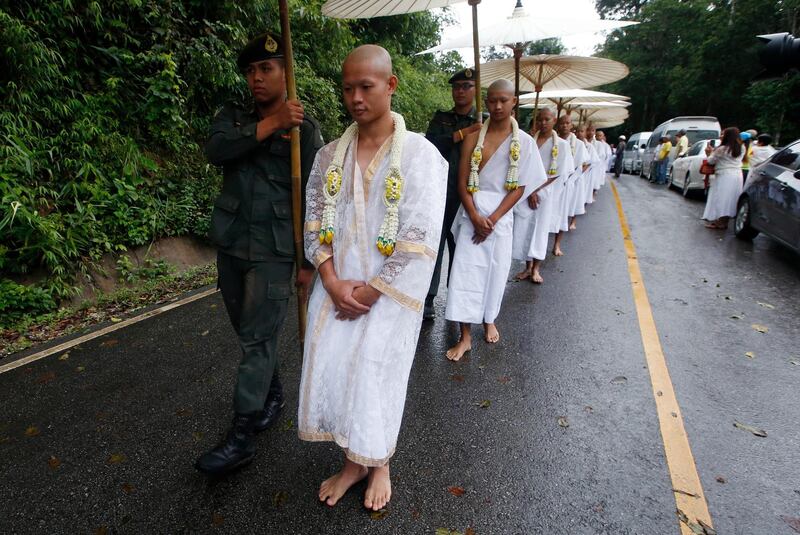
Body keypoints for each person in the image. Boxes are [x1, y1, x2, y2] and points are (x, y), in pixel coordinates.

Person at [299, 45, 447, 511]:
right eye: (348, 88)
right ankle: (353, 460)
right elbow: (314, 223)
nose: (356, 98)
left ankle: (379, 459)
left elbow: (420, 234)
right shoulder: (327, 156)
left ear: (391, 85)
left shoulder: (421, 155)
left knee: (377, 374)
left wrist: (372, 289)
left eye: (367, 86)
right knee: (343, 373)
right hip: (337, 286)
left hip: (389, 292)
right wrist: (332, 280)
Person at [195, 32, 324, 477]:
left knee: (257, 339)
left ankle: (241, 437)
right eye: (250, 71)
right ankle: (271, 394)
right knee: (245, 329)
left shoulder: (305, 131)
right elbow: (215, 150)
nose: (256, 78)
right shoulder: (233, 117)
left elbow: (315, 198)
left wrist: (308, 262)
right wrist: (269, 125)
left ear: (286, 72)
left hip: (273, 250)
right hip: (231, 242)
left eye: (266, 69)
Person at [444, 79, 545, 361]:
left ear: (514, 102)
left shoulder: (524, 142)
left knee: (495, 272)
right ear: (486, 102)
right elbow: (462, 183)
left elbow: (522, 186)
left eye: (503, 100)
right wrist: (475, 215)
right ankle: (465, 336)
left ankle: (489, 318)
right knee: (465, 273)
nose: (497, 106)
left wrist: (495, 217)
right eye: (492, 100)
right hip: (472, 214)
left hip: (501, 216)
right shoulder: (474, 138)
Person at [424, 68, 483, 320]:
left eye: (467, 86)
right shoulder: (441, 118)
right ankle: (428, 299)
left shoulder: (484, 121)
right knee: (433, 248)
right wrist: (461, 134)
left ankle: (456, 303)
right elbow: (429, 145)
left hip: (469, 195)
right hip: (440, 192)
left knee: (461, 251)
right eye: (457, 86)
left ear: (476, 90)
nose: (461, 91)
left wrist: (479, 131)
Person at [511, 107, 571, 283]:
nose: (543, 123)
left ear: (554, 121)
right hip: (526, 191)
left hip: (545, 193)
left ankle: (536, 268)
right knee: (526, 227)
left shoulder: (561, 145)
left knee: (540, 229)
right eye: (539, 119)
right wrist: (528, 190)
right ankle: (527, 267)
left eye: (547, 119)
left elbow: (557, 173)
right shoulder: (529, 141)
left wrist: (536, 190)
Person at [551, 113, 585, 254]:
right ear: (558, 124)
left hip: (567, 184)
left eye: (568, 123)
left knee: (562, 215)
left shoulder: (579, 144)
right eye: (562, 123)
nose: (564, 125)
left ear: (572, 125)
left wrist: (568, 180)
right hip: (551, 184)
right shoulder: (552, 140)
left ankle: (557, 244)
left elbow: (581, 166)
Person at [702, 127, 744, 230]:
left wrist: (709, 153)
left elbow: (710, 161)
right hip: (737, 175)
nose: (721, 136)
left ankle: (719, 221)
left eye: (723, 134)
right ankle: (725, 220)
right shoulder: (742, 148)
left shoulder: (722, 149)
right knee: (731, 199)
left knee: (720, 198)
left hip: (724, 175)